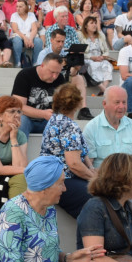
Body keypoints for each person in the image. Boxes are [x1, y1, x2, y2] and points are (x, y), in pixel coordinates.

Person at [39, 84, 94, 219]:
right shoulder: (69, 125)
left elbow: (80, 152)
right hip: (63, 180)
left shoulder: (54, 120)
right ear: (78, 104)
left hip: (50, 177)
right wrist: (95, 179)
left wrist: (91, 169)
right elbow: (74, 164)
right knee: (101, 197)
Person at [80, 15, 112, 93]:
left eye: (95, 23)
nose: (94, 25)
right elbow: (80, 52)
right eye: (91, 23)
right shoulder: (81, 36)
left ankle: (103, 89)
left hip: (100, 58)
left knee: (108, 65)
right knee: (92, 65)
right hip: (88, 58)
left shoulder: (100, 35)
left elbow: (106, 50)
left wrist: (103, 56)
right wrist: (91, 57)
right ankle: (104, 90)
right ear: (85, 26)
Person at [10, 0, 42, 67]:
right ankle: (18, 63)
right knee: (17, 41)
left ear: (25, 7)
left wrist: (30, 39)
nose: (18, 8)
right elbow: (15, 30)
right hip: (18, 35)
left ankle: (35, 63)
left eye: (20, 7)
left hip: (29, 35)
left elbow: (34, 29)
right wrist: (25, 38)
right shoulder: (14, 15)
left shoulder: (31, 15)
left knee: (38, 41)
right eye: (17, 6)